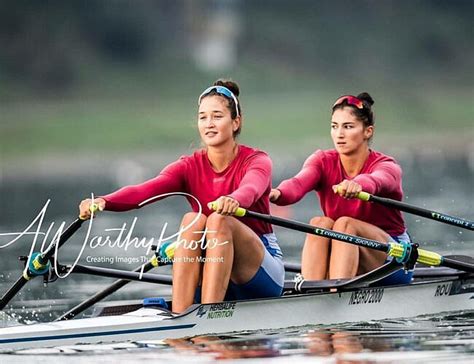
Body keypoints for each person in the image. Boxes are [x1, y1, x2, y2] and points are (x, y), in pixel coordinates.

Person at [79, 79, 285, 313]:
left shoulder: (257, 160)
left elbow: (252, 188)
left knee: (220, 220)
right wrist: (104, 202)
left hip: (259, 275)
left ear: (236, 122)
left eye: (217, 116)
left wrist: (235, 200)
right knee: (192, 220)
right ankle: (182, 316)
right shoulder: (188, 166)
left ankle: (208, 316)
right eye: (203, 117)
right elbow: (144, 191)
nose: (209, 124)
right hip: (212, 268)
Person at [270, 93, 412, 283]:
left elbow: (377, 180)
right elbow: (298, 183)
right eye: (334, 126)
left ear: (367, 131)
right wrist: (277, 193)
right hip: (345, 250)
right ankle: (314, 291)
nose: (339, 134)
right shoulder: (322, 161)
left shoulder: (387, 165)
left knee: (346, 224)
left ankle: (335, 293)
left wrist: (358, 185)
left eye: (348, 127)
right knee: (319, 223)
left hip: (394, 259)